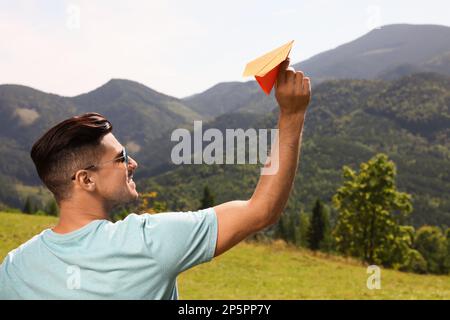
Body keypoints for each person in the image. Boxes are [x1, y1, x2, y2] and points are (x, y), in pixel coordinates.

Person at [0, 58, 311, 299]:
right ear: (85, 180)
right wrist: (292, 115)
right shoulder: (147, 241)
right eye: (120, 158)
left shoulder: (15, 268)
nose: (132, 163)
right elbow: (262, 210)